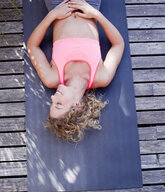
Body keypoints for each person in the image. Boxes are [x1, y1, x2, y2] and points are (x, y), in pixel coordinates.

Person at [27, 0, 124, 142]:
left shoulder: (51, 78)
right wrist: (96, 14)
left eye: (52, 102)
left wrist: (53, 15)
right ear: (77, 106)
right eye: (58, 104)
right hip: (89, 4)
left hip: (58, 4)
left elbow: (32, 46)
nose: (53, 98)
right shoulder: (101, 76)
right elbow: (118, 44)